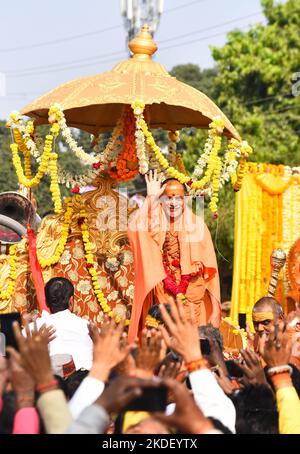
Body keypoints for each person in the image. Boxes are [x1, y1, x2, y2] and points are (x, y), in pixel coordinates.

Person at [128, 170, 221, 342]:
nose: (173, 203)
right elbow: (134, 229)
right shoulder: (155, 223)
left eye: (178, 198)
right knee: (167, 344)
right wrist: (151, 198)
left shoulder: (198, 225)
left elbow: (211, 274)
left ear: (185, 199)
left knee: (197, 345)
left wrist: (216, 311)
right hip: (165, 293)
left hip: (193, 296)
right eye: (168, 198)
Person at [25, 277, 93, 371]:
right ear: (71, 301)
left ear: (46, 303)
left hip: (48, 383)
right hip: (85, 382)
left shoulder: (31, 329)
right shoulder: (89, 327)